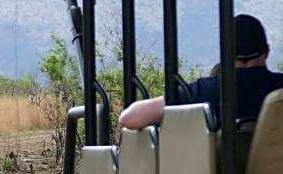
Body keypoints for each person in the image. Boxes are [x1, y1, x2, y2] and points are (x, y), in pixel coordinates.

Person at [119, 14, 283, 129]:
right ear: (267, 51)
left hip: (217, 170)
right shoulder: (279, 91)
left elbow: (129, 118)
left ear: (225, 54)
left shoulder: (202, 91)